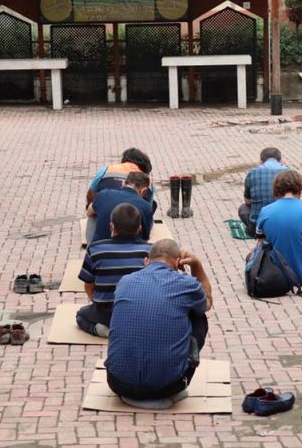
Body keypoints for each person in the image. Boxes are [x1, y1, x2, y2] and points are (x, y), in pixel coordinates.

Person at [106, 239, 212, 409]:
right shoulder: (187, 284)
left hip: (118, 383)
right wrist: (196, 265)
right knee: (199, 317)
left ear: (146, 261)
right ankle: (176, 374)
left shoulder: (125, 281)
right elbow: (207, 302)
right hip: (168, 387)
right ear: (178, 263)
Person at [77, 203, 152, 337]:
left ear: (112, 226)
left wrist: (99, 301)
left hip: (107, 314)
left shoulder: (95, 249)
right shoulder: (150, 251)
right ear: (139, 229)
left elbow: (88, 286)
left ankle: (101, 330)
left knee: (81, 315)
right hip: (139, 313)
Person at [85, 148, 154, 242]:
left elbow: (90, 194)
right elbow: (147, 214)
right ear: (143, 191)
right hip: (132, 236)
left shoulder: (105, 172)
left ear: (123, 183)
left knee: (93, 216)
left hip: (101, 242)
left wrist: (99, 207)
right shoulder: (148, 182)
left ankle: (91, 244)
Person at [238, 147, 290, 236]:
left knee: (243, 208)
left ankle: (252, 229)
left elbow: (247, 201)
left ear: (261, 161)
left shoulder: (252, 173)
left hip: (258, 228)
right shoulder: (290, 173)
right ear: (280, 160)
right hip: (285, 226)